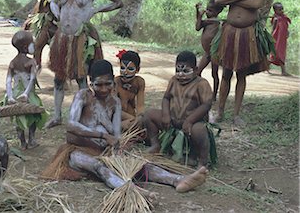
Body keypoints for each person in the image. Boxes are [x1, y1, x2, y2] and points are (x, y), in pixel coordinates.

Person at [41, 59, 208, 192]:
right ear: (91, 83)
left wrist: (119, 144)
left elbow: (115, 133)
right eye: (99, 84)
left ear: (113, 83)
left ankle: (178, 180)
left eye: (108, 84)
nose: (104, 89)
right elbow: (71, 125)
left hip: (105, 151)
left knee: (139, 165)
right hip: (77, 151)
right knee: (100, 168)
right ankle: (132, 191)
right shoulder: (83, 96)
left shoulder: (115, 102)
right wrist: (102, 136)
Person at [45, 0, 123, 128]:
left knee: (82, 77)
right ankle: (57, 116)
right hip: (62, 36)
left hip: (81, 38)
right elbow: (53, 1)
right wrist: (56, 13)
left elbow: (118, 2)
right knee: (58, 77)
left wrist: (96, 10)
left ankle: (85, 115)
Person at [211, 0, 268, 126]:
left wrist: (233, 0)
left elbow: (257, 3)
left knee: (241, 74)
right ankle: (220, 111)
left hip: (246, 33)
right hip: (230, 31)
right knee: (226, 72)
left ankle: (236, 114)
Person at [145, 51, 214, 167]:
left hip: (192, 124)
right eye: (178, 71)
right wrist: (166, 115)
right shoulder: (173, 81)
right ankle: (155, 145)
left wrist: (190, 120)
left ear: (196, 70)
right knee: (149, 114)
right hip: (172, 122)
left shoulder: (202, 84)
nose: (181, 74)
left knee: (199, 130)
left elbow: (206, 105)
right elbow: (166, 98)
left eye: (186, 71)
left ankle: (202, 160)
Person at [4, 30, 47, 149]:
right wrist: (26, 94)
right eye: (32, 43)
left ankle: (22, 142)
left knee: (19, 118)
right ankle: (31, 140)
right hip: (29, 94)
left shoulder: (13, 63)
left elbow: (8, 80)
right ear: (25, 47)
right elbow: (32, 79)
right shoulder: (30, 62)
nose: (34, 45)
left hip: (16, 93)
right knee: (33, 116)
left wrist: (10, 95)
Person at [195, 0, 224, 101]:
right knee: (197, 72)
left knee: (214, 74)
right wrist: (197, 13)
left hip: (214, 52)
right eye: (207, 9)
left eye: (210, 10)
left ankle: (214, 94)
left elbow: (200, 25)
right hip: (207, 53)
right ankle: (199, 91)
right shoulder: (207, 21)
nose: (207, 12)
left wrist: (200, 16)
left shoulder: (215, 21)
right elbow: (197, 27)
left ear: (217, 12)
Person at [114, 50, 146, 131]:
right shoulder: (115, 82)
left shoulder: (139, 82)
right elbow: (113, 108)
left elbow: (140, 105)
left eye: (130, 69)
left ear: (137, 70)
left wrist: (140, 118)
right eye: (122, 68)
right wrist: (133, 120)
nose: (125, 72)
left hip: (131, 118)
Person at [269, 2, 291, 76]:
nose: (282, 11)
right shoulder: (275, 19)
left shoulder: (284, 18)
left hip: (282, 40)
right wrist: (271, 38)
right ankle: (266, 67)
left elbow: (285, 27)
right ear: (275, 11)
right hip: (276, 40)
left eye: (282, 9)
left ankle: (283, 71)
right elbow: (274, 29)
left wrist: (287, 32)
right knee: (276, 53)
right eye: (279, 10)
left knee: (281, 53)